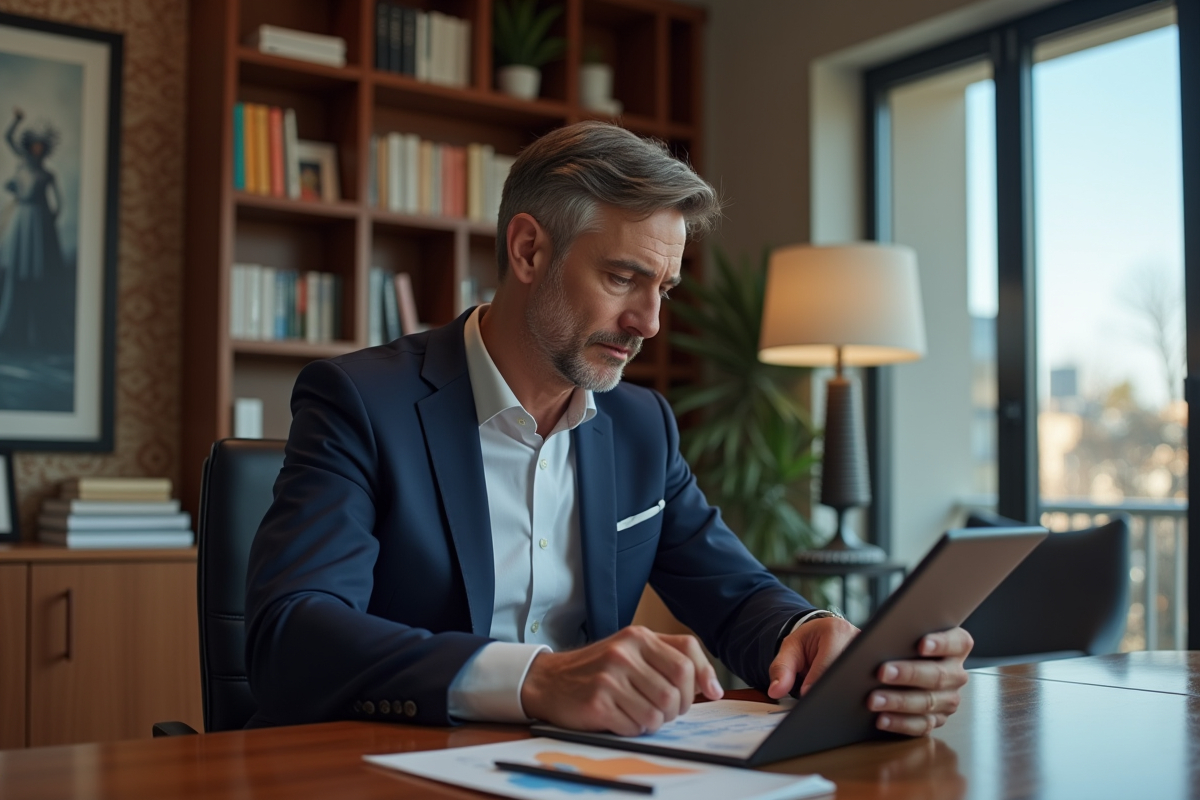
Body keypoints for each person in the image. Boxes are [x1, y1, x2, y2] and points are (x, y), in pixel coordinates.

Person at [244, 121, 972, 737]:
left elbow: (736, 592)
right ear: (528, 251)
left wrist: (807, 635)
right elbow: (294, 634)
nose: (649, 323)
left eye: (664, 289)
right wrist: (537, 679)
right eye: (624, 278)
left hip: (589, 770)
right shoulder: (362, 401)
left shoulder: (640, 425)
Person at [0, 107, 66, 351]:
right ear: (30, 146)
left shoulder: (47, 174)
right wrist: (16, 121)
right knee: (16, 272)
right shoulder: (23, 165)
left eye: (41, 146)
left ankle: (36, 333)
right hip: (22, 220)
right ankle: (12, 330)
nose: (37, 149)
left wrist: (50, 220)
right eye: (34, 145)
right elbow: (7, 138)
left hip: (39, 221)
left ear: (45, 149)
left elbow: (58, 203)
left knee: (38, 275)